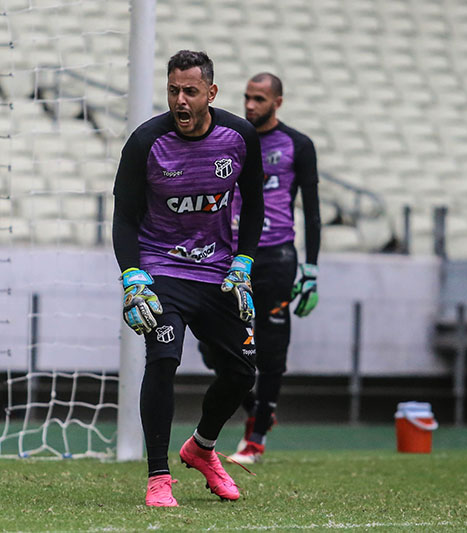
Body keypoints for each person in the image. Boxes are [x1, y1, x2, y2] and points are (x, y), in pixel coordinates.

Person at [112, 50, 264, 507]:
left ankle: (201, 446)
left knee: (242, 372)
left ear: (210, 93)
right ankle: (159, 476)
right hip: (162, 269)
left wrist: (244, 263)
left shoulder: (239, 137)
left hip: (218, 272)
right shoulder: (145, 142)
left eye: (190, 91)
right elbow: (123, 217)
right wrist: (133, 277)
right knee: (163, 358)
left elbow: (253, 204)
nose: (181, 100)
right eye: (174, 90)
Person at [202, 72, 321, 464]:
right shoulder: (229, 137)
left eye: (259, 99)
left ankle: (254, 441)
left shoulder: (298, 145)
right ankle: (257, 409)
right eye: (247, 98)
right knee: (212, 345)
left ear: (277, 103)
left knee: (271, 350)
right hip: (230, 257)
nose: (250, 105)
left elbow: (313, 211)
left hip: (276, 258)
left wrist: (312, 269)